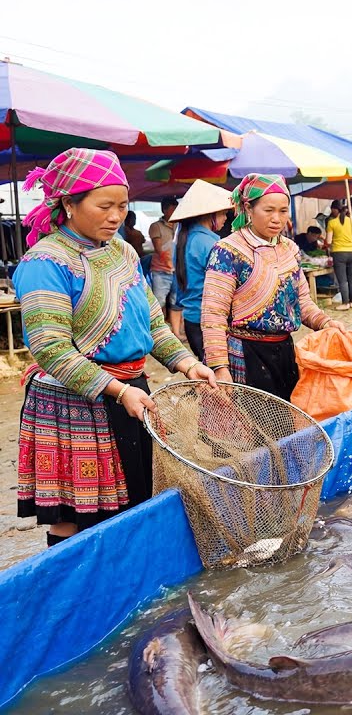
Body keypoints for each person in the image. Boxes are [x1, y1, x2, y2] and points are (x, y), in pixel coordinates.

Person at [13, 148, 217, 547]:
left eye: (122, 206)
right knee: (76, 518)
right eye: (104, 206)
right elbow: (51, 349)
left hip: (132, 392)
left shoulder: (122, 252)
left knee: (136, 502)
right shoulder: (45, 262)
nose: (115, 216)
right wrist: (119, 391)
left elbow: (152, 321)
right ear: (69, 204)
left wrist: (187, 363)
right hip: (73, 403)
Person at [201, 174, 346, 402]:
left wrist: (325, 322)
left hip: (283, 353)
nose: (277, 219)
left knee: (286, 419)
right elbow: (213, 313)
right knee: (248, 423)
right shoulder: (227, 251)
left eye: (283, 211)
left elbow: (301, 301)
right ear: (248, 209)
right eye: (268, 210)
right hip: (244, 354)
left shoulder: (290, 249)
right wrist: (219, 366)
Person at [173, 180, 233, 362]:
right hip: (210, 322)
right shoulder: (209, 243)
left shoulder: (184, 239)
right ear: (210, 214)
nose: (225, 218)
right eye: (223, 213)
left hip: (192, 319)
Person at [149, 195, 182, 339]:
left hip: (177, 270)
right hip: (161, 270)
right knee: (159, 302)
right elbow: (158, 248)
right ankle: (160, 333)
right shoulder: (156, 226)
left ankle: (176, 332)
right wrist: (169, 264)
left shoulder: (179, 225)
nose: (175, 212)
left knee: (176, 302)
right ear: (164, 210)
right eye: (172, 209)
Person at [326, 199, 352, 310]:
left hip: (338, 253)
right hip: (351, 252)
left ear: (335, 210)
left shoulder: (332, 223)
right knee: (351, 278)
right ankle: (351, 302)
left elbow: (329, 241)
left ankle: (345, 303)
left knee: (342, 280)